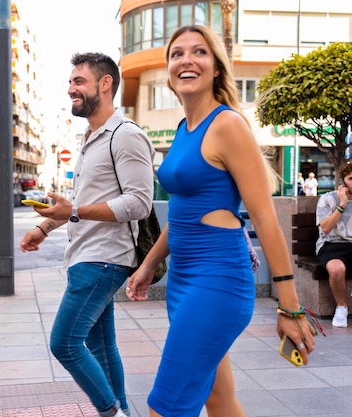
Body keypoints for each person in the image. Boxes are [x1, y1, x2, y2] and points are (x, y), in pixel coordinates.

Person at [125, 25, 318, 417]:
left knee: (164, 408)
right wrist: (148, 265)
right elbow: (183, 214)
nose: (186, 60)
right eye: (177, 54)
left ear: (216, 67)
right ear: (169, 71)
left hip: (218, 280)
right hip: (182, 279)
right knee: (219, 399)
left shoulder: (227, 125)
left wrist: (290, 308)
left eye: (199, 52)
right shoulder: (183, 130)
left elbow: (265, 221)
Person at [19, 52, 155, 417]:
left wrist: (73, 211)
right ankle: (122, 411)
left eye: (78, 82)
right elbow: (80, 201)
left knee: (64, 342)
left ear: (105, 83)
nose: (70, 89)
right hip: (87, 256)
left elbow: (139, 203)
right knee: (100, 345)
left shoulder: (125, 136)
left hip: (104, 258)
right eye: (70, 82)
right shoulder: (91, 137)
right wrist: (45, 227)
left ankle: (111, 413)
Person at [316, 163, 352, 327]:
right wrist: (342, 204)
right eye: (351, 178)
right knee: (337, 269)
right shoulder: (328, 199)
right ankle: (341, 307)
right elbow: (325, 227)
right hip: (331, 244)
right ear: (343, 181)